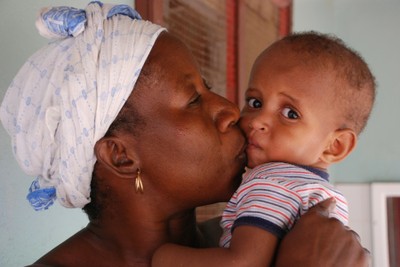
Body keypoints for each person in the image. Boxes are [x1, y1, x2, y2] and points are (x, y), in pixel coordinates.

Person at [0, 2, 370, 267]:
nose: (229, 109)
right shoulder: (304, 253)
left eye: (208, 87)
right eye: (194, 99)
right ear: (121, 156)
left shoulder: (269, 233)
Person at [152, 32, 375, 267]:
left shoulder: (272, 182)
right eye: (255, 102)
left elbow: (243, 263)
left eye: (290, 114)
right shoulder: (325, 196)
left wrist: (163, 257)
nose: (257, 120)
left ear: (335, 146)